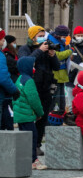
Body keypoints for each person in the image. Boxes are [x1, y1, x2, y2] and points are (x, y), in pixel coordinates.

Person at [19, 25, 60, 155]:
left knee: (43, 117)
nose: (43, 39)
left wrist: (52, 55)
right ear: (32, 37)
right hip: (32, 86)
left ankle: (37, 145)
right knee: (31, 116)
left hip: (46, 87)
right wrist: (39, 51)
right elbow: (25, 62)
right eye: (40, 36)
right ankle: (28, 145)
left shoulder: (47, 49)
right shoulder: (25, 48)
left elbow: (57, 67)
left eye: (44, 36)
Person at [13, 56, 45, 169]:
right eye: (32, 66)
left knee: (24, 139)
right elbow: (34, 99)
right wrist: (40, 112)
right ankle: (33, 161)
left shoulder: (19, 78)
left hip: (20, 114)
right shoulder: (29, 80)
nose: (34, 68)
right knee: (32, 137)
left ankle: (26, 160)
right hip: (27, 115)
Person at [47, 25, 73, 113]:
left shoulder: (61, 41)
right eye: (64, 36)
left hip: (62, 73)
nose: (65, 38)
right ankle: (53, 114)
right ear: (58, 35)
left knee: (61, 97)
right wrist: (69, 51)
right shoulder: (50, 41)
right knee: (55, 96)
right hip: (55, 74)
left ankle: (61, 112)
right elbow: (57, 55)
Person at [0, 29, 19, 131]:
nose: (3, 42)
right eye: (2, 39)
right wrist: (14, 90)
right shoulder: (1, 56)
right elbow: (3, 77)